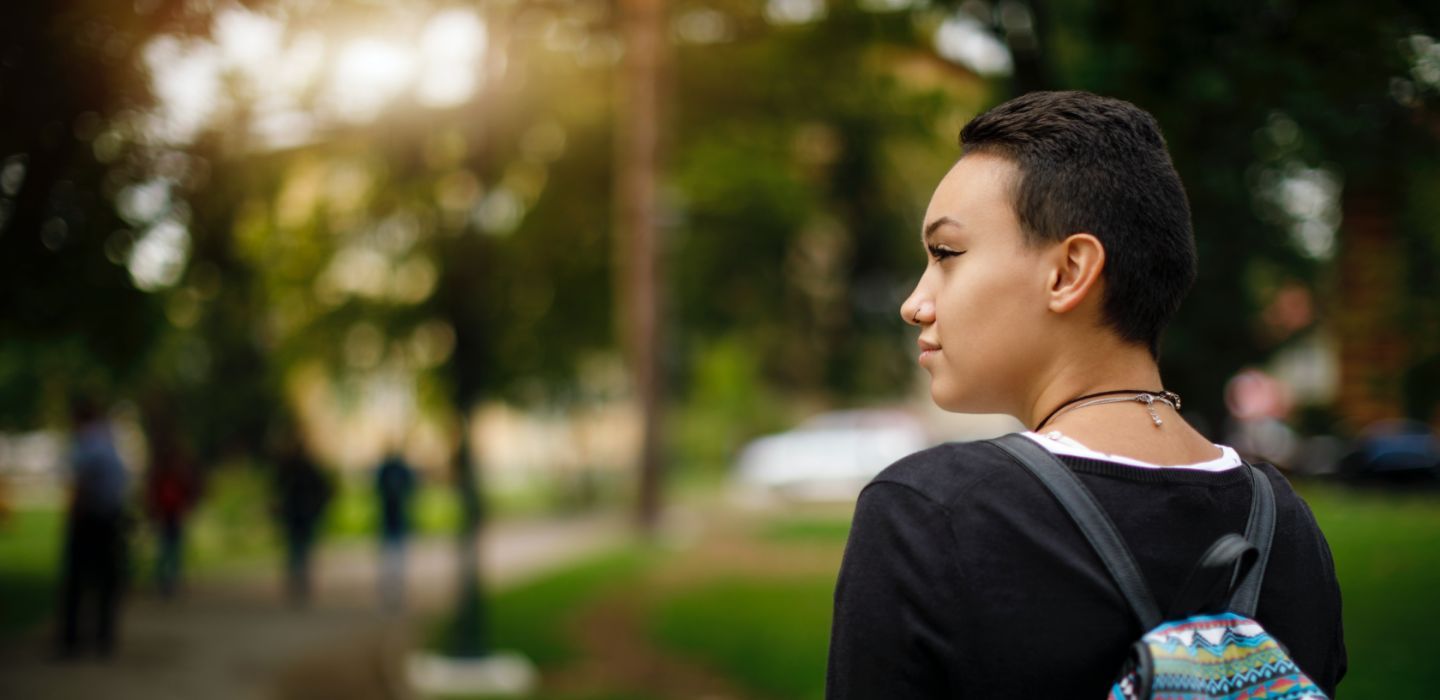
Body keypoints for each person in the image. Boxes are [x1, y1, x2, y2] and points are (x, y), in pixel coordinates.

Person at [826, 91, 1346, 698]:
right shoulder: (1286, 526)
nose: (914, 304)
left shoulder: (930, 511)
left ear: (1070, 272)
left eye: (946, 254)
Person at [57, 397, 130, 658]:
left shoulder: (87, 442)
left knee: (77, 581)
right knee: (106, 580)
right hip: (109, 518)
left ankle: (72, 640)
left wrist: (73, 514)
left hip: (90, 519)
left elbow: (81, 482)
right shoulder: (108, 441)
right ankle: (103, 638)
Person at [272, 432, 333, 606]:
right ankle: (299, 582)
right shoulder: (297, 468)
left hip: (301, 514)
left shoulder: (295, 469)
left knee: (297, 550)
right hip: (299, 515)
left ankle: (298, 582)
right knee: (299, 550)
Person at [374, 449, 417, 611]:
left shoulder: (391, 470)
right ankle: (391, 588)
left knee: (394, 557)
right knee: (392, 557)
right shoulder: (395, 470)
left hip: (395, 519)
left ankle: (394, 588)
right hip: (392, 519)